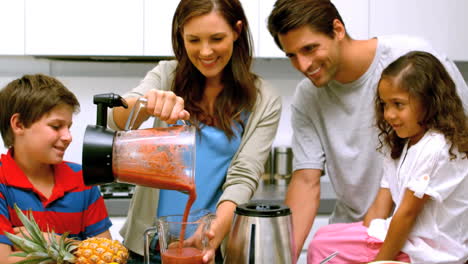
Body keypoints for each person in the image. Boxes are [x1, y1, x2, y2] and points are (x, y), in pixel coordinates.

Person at [267, 0, 468, 257]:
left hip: (424, 246)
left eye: (310, 48)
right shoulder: (307, 98)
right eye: (292, 55)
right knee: (321, 243)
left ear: (337, 29)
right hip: (362, 233)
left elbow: (460, 135)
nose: (303, 65)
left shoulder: (411, 60)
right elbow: (306, 181)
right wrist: (285, 257)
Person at [109, 0, 281, 263]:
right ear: (181, 37)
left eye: (216, 38)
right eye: (194, 40)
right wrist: (147, 104)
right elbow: (116, 120)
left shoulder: (262, 99)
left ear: (237, 30)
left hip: (211, 246)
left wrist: (214, 231)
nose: (206, 51)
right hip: (150, 245)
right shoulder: (167, 75)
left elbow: (244, 175)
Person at [308, 51, 468, 264]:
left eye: (398, 104)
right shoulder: (404, 143)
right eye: (384, 104)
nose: (388, 114)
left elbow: (407, 214)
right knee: (324, 236)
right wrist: (365, 238)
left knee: (323, 247)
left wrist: (379, 263)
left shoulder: (436, 147)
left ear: (429, 101)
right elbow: (379, 207)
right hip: (406, 238)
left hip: (428, 252)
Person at [0, 74, 112, 263]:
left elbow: (106, 255)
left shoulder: (82, 179)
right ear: (19, 124)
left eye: (68, 127)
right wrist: (81, 251)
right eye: (56, 126)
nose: (68, 136)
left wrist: (52, 241)